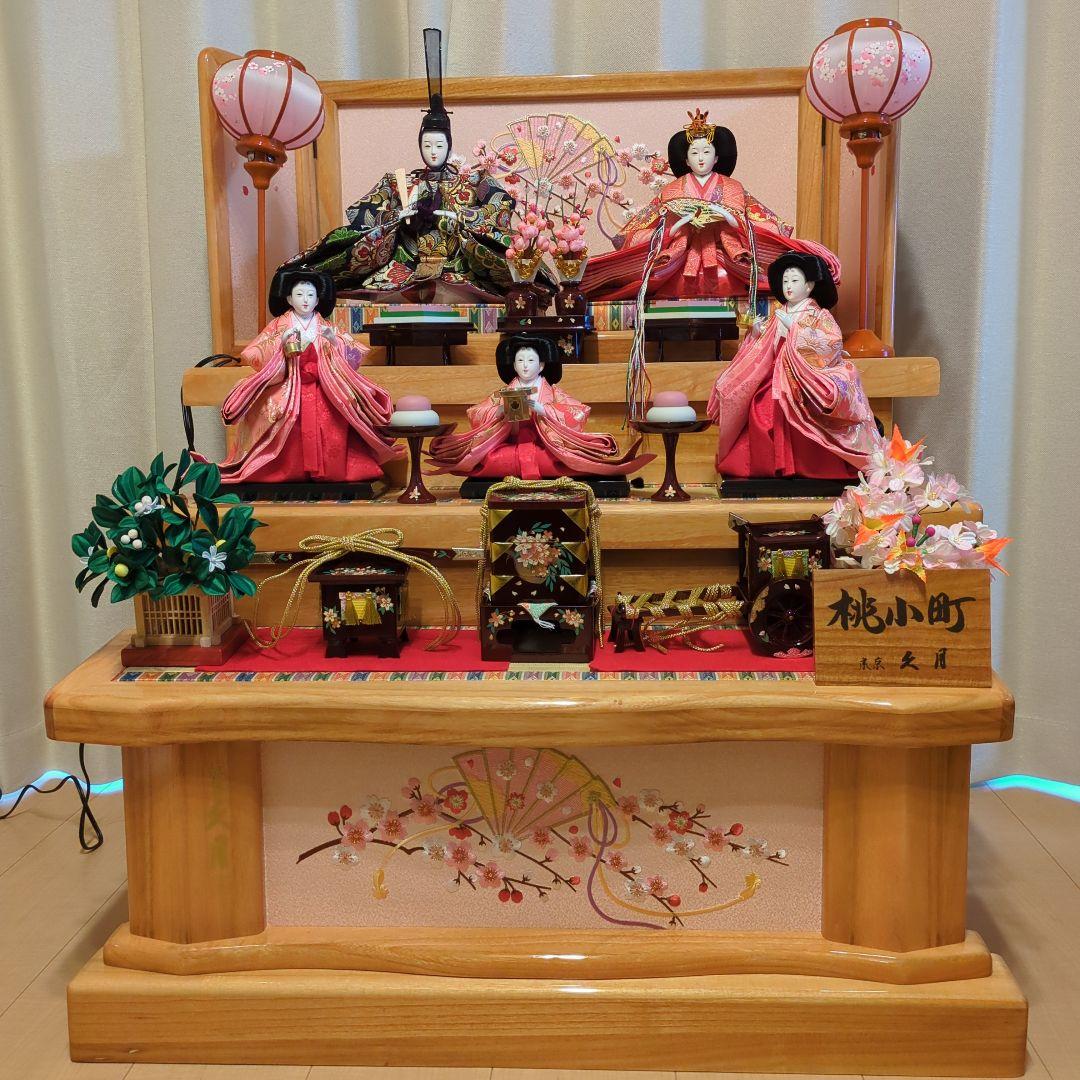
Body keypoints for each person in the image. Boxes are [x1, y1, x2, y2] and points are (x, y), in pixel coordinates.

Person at [279, 29, 515, 301]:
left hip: (457, 270)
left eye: (439, 145)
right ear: (419, 145)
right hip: (404, 267)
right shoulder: (398, 182)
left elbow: (501, 206)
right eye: (427, 145)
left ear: (449, 145)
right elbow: (361, 214)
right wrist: (398, 219)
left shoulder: (472, 180)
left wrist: (460, 216)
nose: (433, 152)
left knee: (489, 285)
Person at [580, 108, 840, 302]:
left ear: (717, 158)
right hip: (681, 256)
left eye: (707, 152)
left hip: (724, 255)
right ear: (686, 160)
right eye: (694, 153)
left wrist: (727, 217)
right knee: (671, 280)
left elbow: (763, 224)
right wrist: (676, 226)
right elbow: (639, 231)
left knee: (727, 278)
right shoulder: (672, 190)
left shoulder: (732, 187)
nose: (701, 158)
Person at [215, 270, 401, 484]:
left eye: (311, 295)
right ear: (289, 298)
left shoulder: (327, 326)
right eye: (300, 294)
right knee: (280, 415)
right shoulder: (279, 325)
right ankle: (282, 471)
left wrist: (334, 342)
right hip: (288, 384)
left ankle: (332, 471)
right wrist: (280, 343)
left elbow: (355, 355)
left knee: (337, 415)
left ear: (318, 299)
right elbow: (254, 353)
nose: (305, 300)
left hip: (325, 386)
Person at [708, 251, 880, 479]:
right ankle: (769, 466)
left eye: (794, 281)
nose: (788, 286)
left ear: (809, 286)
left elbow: (831, 342)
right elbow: (764, 347)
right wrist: (757, 333)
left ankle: (805, 465)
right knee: (761, 407)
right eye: (785, 281)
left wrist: (796, 330)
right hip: (776, 373)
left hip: (804, 378)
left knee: (796, 408)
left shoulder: (818, 314)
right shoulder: (779, 313)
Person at [427, 335, 653, 480]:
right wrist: (498, 412)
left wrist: (543, 409)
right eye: (520, 361)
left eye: (530, 361)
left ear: (542, 364)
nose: (525, 366)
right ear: (513, 365)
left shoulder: (553, 393)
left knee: (554, 460)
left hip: (546, 447)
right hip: (510, 445)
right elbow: (475, 412)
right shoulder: (503, 393)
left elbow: (578, 412)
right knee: (493, 460)